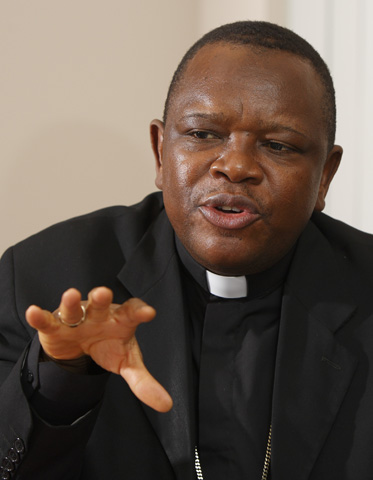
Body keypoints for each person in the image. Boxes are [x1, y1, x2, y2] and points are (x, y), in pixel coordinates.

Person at [0, 20, 372, 480]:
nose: (235, 167)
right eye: (202, 134)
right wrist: (60, 379)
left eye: (278, 145)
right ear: (160, 152)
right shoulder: (40, 278)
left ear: (325, 177)